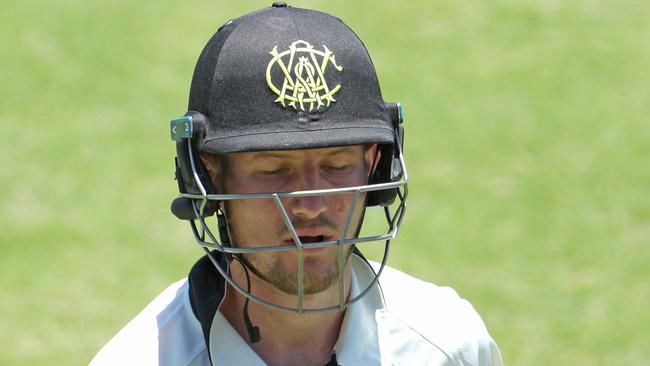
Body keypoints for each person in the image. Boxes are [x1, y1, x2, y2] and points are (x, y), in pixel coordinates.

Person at [91, 3, 503, 365]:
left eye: (337, 164)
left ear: (377, 168)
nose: (309, 203)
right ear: (207, 175)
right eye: (273, 170)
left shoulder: (449, 346)